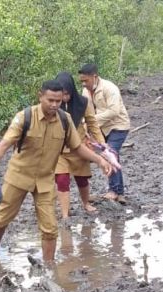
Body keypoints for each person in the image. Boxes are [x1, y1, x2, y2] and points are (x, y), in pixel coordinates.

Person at [0, 80, 113, 262]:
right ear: (40, 96)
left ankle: (49, 268)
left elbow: (77, 147)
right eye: (50, 100)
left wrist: (99, 159)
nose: (54, 105)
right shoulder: (25, 117)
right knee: (1, 219)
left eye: (58, 101)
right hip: (18, 177)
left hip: (45, 180)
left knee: (50, 228)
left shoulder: (64, 120)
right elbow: (4, 145)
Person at [54, 72, 107, 219]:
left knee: (82, 179)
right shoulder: (53, 104)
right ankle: (65, 213)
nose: (63, 98)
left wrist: (102, 144)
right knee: (62, 179)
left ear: (71, 91)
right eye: (61, 94)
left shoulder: (83, 102)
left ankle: (86, 203)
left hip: (79, 148)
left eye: (66, 94)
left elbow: (92, 123)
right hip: (59, 150)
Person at [78, 63, 131, 204]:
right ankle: (119, 192)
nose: (83, 84)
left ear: (94, 77)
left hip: (118, 125)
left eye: (86, 81)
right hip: (101, 127)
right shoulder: (85, 91)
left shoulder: (110, 88)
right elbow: (87, 112)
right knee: (108, 154)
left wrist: (91, 121)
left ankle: (114, 190)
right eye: (81, 81)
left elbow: (114, 111)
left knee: (111, 153)